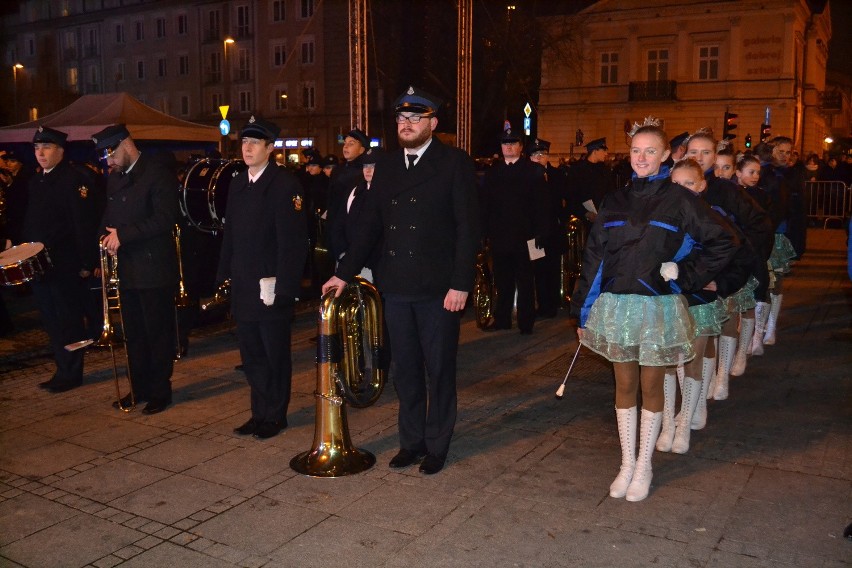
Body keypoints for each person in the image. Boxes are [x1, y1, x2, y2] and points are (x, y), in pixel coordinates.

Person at [570, 118, 737, 502]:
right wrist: (583, 311)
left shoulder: (679, 199)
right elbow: (595, 258)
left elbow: (724, 241)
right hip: (617, 307)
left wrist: (684, 276)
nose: (641, 157)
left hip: (657, 307)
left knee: (652, 385)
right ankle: (626, 463)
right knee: (624, 385)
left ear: (665, 155)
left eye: (650, 151)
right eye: (635, 150)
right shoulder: (615, 200)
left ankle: (644, 465)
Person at [322, 85, 480, 475]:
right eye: (401, 119)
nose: (406, 125)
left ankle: (437, 444)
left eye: (415, 118)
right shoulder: (388, 166)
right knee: (405, 370)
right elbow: (370, 226)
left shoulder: (454, 163)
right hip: (396, 287)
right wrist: (344, 273)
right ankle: (411, 442)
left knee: (439, 368)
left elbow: (467, 229)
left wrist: (461, 283)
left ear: (433, 123)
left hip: (440, 289)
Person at [216, 116, 308, 439]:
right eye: (244, 142)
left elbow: (294, 243)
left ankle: (275, 415)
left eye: (255, 143)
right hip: (244, 285)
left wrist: (285, 287)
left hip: (269, 288)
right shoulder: (239, 183)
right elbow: (230, 236)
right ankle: (259, 413)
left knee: (274, 355)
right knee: (251, 355)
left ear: (270, 148)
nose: (247, 148)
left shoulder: (285, 185)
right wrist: (222, 275)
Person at [93, 124, 179, 414]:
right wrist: (104, 237)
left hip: (154, 269)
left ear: (126, 144)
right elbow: (108, 215)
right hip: (128, 270)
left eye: (111, 153)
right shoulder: (115, 179)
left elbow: (165, 219)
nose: (109, 161)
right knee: (134, 335)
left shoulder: (157, 173)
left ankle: (160, 391)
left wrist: (125, 235)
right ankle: (138, 388)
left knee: (157, 334)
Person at [22, 126, 100, 393]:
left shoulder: (73, 179)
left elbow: (83, 225)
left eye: (46, 147)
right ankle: (62, 368)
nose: (40, 153)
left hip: (65, 264)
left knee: (69, 320)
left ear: (61, 151)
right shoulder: (36, 181)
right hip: (41, 265)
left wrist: (86, 264)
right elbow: (33, 224)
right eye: (36, 148)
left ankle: (71, 372)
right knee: (51, 320)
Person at [482, 127, 549, 334]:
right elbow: (486, 206)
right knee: (502, 281)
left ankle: (525, 321)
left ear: (521, 147)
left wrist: (541, 233)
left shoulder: (534, 171)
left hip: (527, 236)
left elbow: (542, 205)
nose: (508, 147)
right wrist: (486, 233)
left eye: (513, 143)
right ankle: (502, 318)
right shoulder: (493, 173)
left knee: (526, 281)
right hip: (501, 236)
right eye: (505, 144)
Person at [528, 138, 568, 318]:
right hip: (533, 232)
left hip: (552, 231)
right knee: (538, 269)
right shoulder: (525, 176)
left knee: (552, 268)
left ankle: (552, 303)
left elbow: (563, 202)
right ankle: (542, 304)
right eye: (535, 155)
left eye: (542, 155)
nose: (538, 158)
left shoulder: (557, 175)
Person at [328, 128, 369, 263]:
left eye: (351, 143)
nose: (345, 146)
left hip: (352, 231)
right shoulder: (339, 169)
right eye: (345, 143)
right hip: (336, 227)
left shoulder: (366, 171)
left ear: (362, 149)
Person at [565, 137, 615, 225]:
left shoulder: (605, 170)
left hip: (603, 218)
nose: (606, 153)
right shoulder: (577, 170)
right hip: (583, 219)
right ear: (595, 151)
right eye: (603, 151)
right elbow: (571, 195)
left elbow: (611, 192)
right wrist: (585, 213)